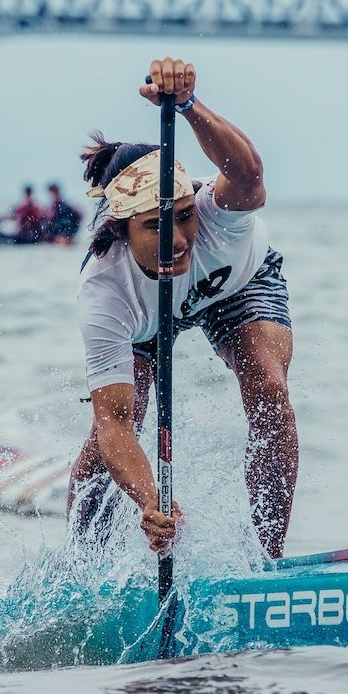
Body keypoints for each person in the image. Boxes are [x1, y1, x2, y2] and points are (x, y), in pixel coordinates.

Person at [69, 58, 299, 559]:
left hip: (237, 284)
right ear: (121, 232)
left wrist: (189, 106)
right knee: (114, 428)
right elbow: (115, 423)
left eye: (184, 217)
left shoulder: (220, 214)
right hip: (147, 319)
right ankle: (79, 566)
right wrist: (152, 503)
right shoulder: (105, 290)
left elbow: (249, 173)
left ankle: (270, 560)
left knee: (268, 384)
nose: (177, 241)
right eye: (155, 226)